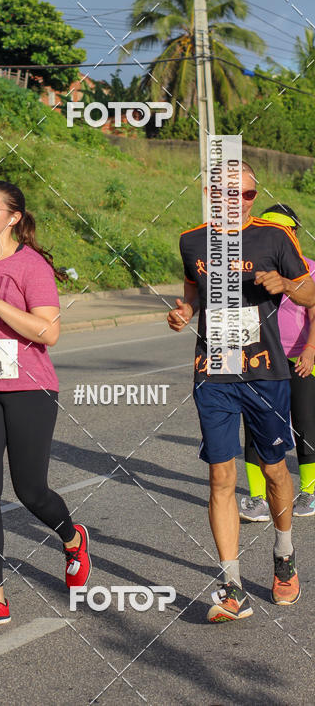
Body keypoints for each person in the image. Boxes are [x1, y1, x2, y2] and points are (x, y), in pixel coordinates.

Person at [167, 163, 315, 622]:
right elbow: (193, 292)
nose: (242, 202)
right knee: (220, 476)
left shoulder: (274, 238)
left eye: (249, 195)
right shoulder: (192, 241)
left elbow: (311, 292)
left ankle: (284, 553)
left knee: (274, 473)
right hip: (214, 371)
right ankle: (232, 586)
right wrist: (184, 313)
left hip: (266, 373)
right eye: (232, 195)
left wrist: (288, 284)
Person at [0, 180, 91, 630]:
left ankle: (71, 536)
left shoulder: (32, 267)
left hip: (29, 389)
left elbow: (48, 332)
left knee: (30, 490)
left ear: (13, 218)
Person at [239, 204, 315, 521]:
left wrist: (310, 350)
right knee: (257, 428)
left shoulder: (309, 268)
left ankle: (309, 492)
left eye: (283, 230)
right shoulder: (251, 267)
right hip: (261, 359)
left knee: (305, 424)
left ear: (294, 234)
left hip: (300, 356)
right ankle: (258, 499)